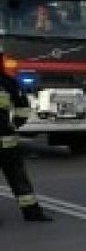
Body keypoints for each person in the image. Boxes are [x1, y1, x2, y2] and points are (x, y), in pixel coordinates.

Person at [0, 53, 52, 222]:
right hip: (7, 143)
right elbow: (23, 109)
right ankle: (32, 213)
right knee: (18, 179)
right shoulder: (8, 82)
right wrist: (14, 125)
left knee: (18, 177)